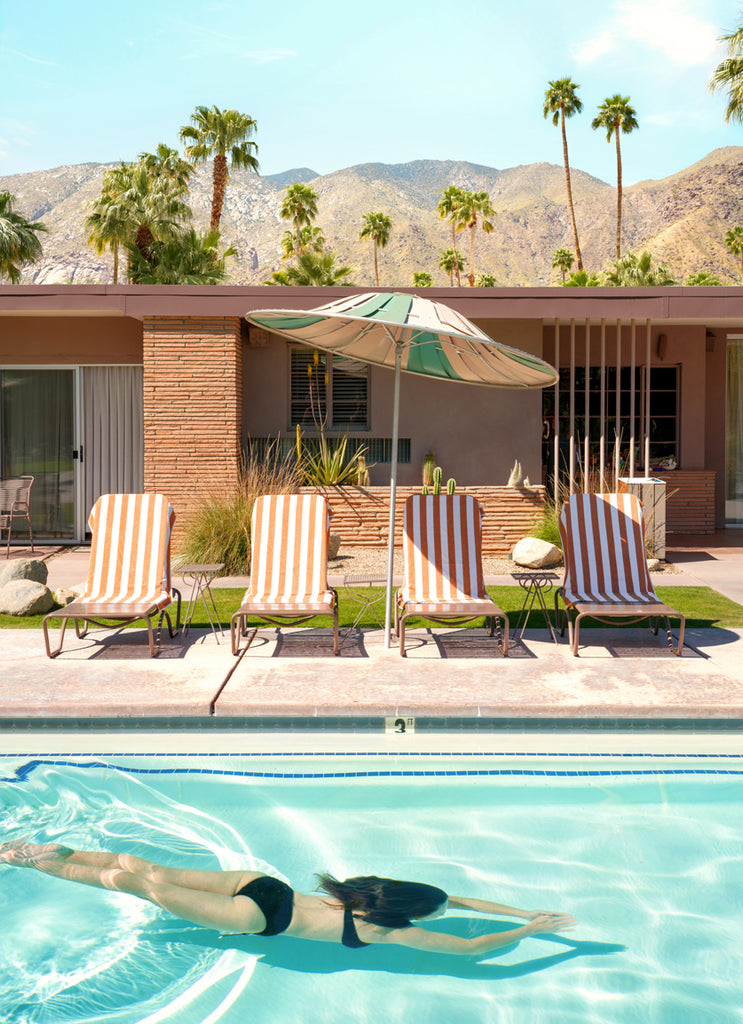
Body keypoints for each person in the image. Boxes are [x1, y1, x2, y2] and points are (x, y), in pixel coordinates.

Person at [1, 841, 576, 957]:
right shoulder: (387, 928)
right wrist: (527, 930)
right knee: (143, 886)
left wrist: (523, 910)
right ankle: (38, 864)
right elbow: (470, 949)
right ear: (412, 914)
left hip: (263, 884)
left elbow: (462, 902)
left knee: (146, 868)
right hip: (258, 915)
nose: (442, 912)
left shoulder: (374, 890)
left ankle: (45, 851)